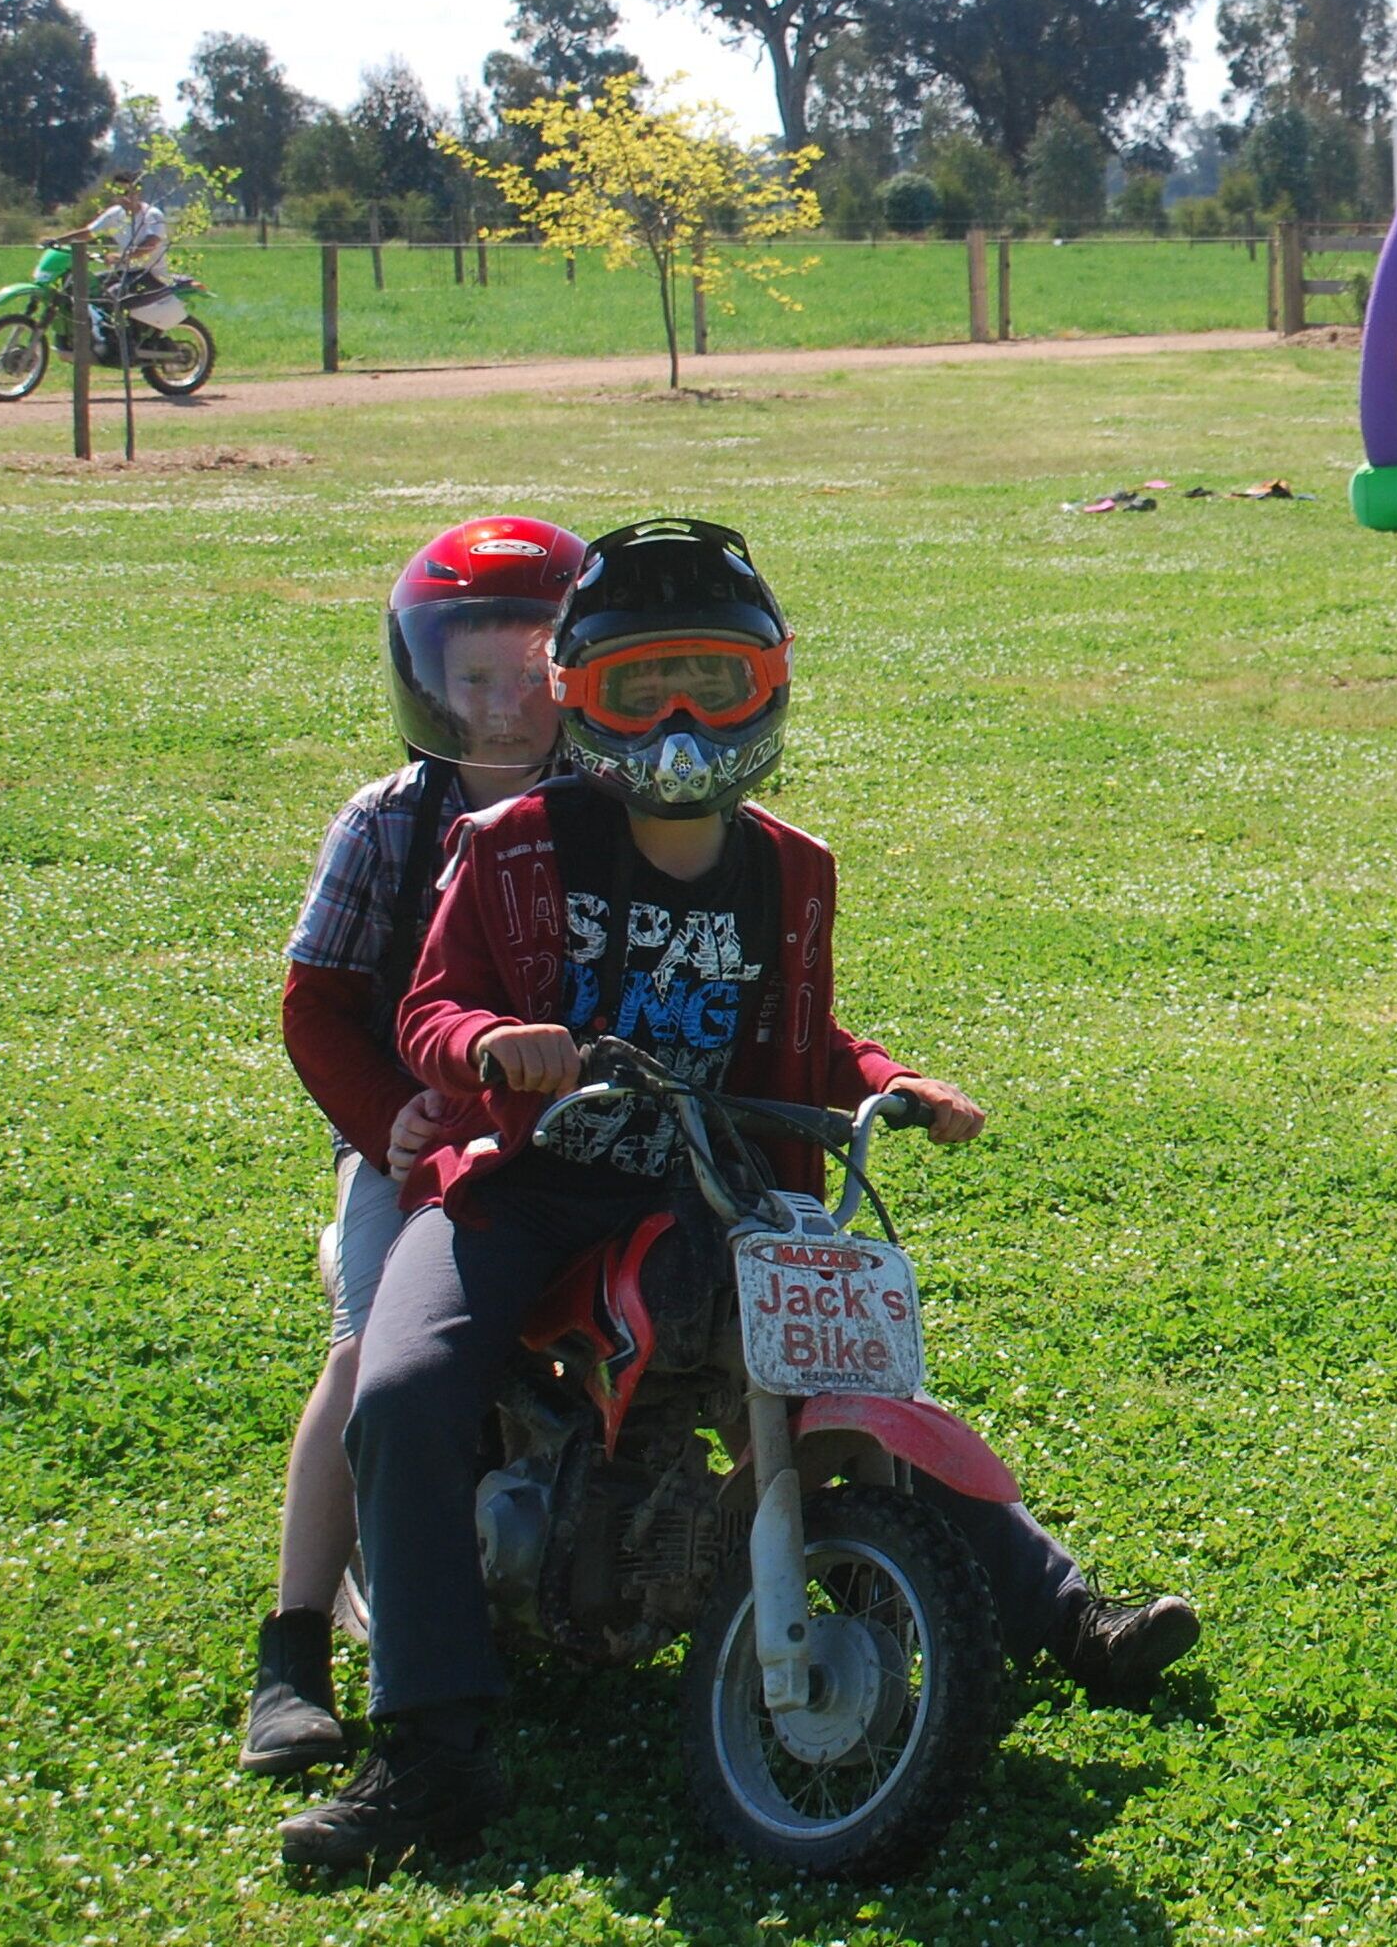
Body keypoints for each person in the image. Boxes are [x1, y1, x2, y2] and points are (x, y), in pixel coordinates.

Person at [281, 518, 1198, 1873]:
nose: (681, 721)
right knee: (405, 1388)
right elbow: (427, 1005)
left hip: (712, 1179)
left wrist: (890, 1076)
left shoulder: (788, 865)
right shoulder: (511, 841)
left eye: (712, 682)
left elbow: (803, 1036)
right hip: (525, 1185)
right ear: (580, 692)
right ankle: (430, 1747)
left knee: (851, 1359)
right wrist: (489, 1042)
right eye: (641, 685)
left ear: (767, 684)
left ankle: (1063, 1612)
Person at [246, 517, 589, 1783]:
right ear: (422, 678)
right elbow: (316, 1002)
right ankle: (294, 1650)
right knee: (365, 1353)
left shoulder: (614, 812)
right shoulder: (388, 820)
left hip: (580, 1141)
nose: (501, 704)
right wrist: (384, 1116)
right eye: (471, 675)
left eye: (533, 672)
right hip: (417, 1136)